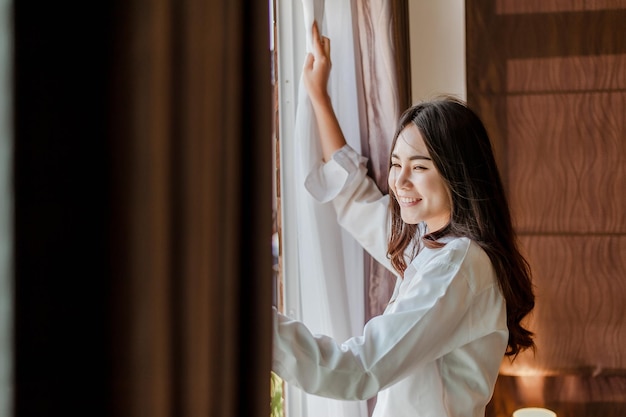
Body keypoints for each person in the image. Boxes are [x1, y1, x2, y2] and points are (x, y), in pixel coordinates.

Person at [272, 22, 535, 417]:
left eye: (419, 166)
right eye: (396, 164)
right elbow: (355, 200)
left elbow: (359, 370)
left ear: (456, 171)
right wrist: (319, 98)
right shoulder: (426, 246)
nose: (400, 181)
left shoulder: (457, 264)